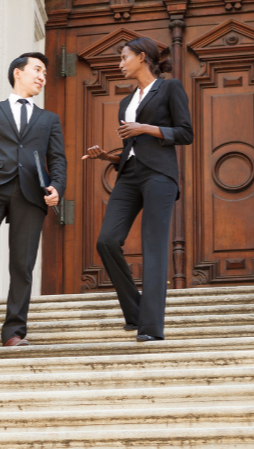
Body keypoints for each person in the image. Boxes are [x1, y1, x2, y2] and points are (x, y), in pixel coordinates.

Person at [82, 36, 193, 342]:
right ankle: (135, 312)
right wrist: (107, 156)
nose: (120, 64)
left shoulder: (170, 87)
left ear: (142, 57)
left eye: (124, 57)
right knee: (107, 241)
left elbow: (185, 133)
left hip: (159, 174)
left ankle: (151, 328)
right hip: (129, 174)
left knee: (153, 248)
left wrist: (145, 128)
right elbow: (131, 147)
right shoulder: (125, 101)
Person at [0, 52, 67, 348]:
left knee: (22, 264)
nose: (42, 76)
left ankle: (14, 331)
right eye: (37, 69)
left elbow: (57, 158)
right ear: (17, 73)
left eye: (45, 72)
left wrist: (57, 186)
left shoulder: (49, 119)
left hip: (31, 193)